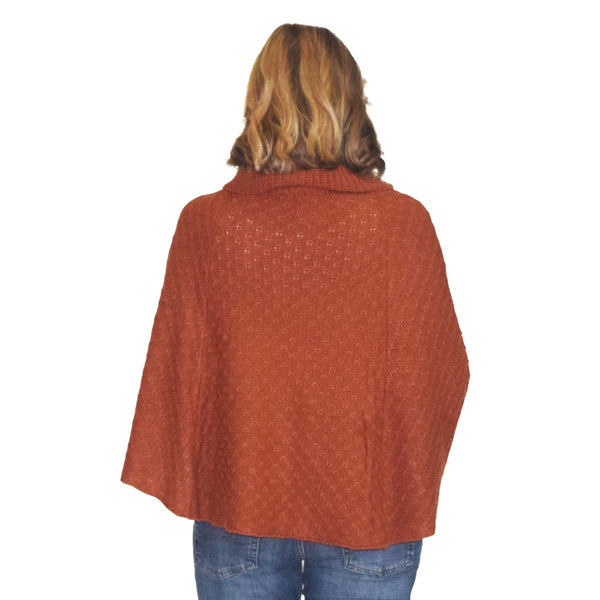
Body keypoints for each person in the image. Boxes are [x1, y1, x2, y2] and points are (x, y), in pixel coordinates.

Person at [121, 23, 470, 600]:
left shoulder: (207, 224)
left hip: (240, 504)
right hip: (368, 513)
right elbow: (441, 374)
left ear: (258, 100)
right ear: (351, 100)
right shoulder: (400, 224)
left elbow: (178, 375)